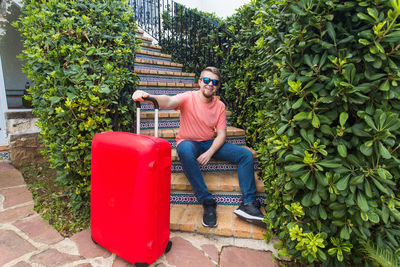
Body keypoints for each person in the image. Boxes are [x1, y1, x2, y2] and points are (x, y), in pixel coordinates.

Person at [132, 66, 265, 228]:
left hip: (209, 143)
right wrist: (147, 97)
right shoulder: (188, 97)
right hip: (188, 142)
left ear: (218, 86)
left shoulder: (220, 106)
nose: (210, 84)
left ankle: (248, 203)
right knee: (185, 150)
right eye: (207, 80)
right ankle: (207, 201)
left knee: (246, 155)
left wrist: (209, 153)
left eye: (214, 82)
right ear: (200, 82)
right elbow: (169, 101)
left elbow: (221, 135)